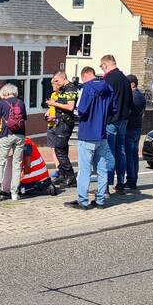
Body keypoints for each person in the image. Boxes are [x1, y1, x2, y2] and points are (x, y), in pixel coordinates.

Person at [67, 66, 114, 210]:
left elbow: (81, 110)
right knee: (101, 168)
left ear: (85, 76)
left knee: (84, 169)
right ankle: (100, 200)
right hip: (102, 134)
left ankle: (83, 200)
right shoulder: (109, 88)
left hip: (87, 134)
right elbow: (114, 109)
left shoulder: (86, 88)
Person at [99, 54, 133, 193]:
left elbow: (103, 101)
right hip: (123, 120)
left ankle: (106, 185)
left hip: (111, 120)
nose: (102, 70)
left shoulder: (107, 79)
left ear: (105, 65)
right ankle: (120, 183)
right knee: (121, 151)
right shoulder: (126, 80)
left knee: (109, 152)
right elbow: (130, 101)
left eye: (101, 67)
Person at [0, 83, 27, 201]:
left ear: (5, 93)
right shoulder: (21, 103)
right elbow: (25, 121)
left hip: (6, 136)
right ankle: (14, 193)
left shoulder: (1, 104)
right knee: (17, 164)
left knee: (0, 162)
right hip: (20, 136)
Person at [44, 71, 79, 187]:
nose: (56, 84)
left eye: (57, 81)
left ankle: (70, 176)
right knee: (60, 149)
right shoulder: (64, 89)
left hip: (65, 123)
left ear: (63, 78)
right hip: (60, 121)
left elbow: (70, 106)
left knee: (59, 149)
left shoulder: (70, 89)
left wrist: (54, 103)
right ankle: (62, 174)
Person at [123, 75, 147, 192]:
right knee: (133, 155)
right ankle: (133, 180)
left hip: (130, 128)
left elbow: (128, 112)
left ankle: (131, 181)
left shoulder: (133, 96)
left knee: (130, 156)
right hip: (137, 128)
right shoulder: (141, 96)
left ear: (132, 84)